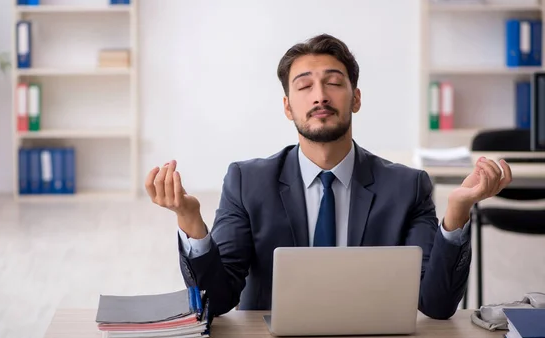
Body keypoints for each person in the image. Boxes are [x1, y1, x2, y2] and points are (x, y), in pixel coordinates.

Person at [145, 34, 512, 320]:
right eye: (304, 86)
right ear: (288, 107)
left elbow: (436, 304)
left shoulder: (407, 186)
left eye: (333, 83)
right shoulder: (247, 181)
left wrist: (457, 211)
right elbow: (217, 301)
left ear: (356, 98)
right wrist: (191, 221)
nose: (319, 96)